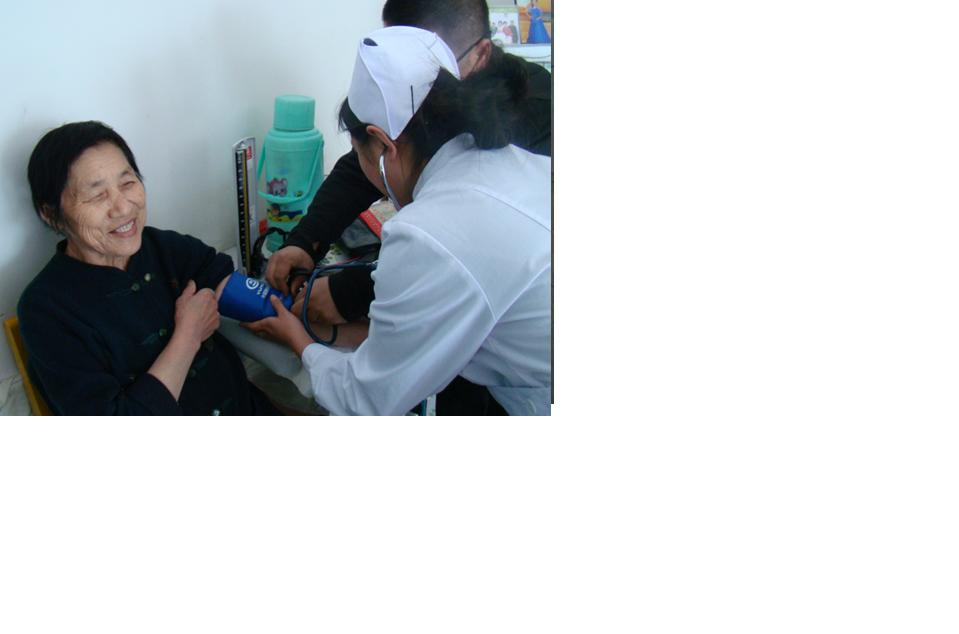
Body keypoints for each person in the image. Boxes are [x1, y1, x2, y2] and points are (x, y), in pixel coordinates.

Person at [245, 26, 551, 416]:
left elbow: (365, 401)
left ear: (383, 144)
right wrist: (308, 246)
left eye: (358, 153)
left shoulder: (427, 234)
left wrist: (297, 340)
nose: (360, 166)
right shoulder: (513, 162)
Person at [18, 121, 278, 416]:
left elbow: (221, 278)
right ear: (51, 214)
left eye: (128, 183)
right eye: (97, 195)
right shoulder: (46, 310)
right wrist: (189, 336)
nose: (123, 208)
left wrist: (294, 311)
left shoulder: (162, 247)